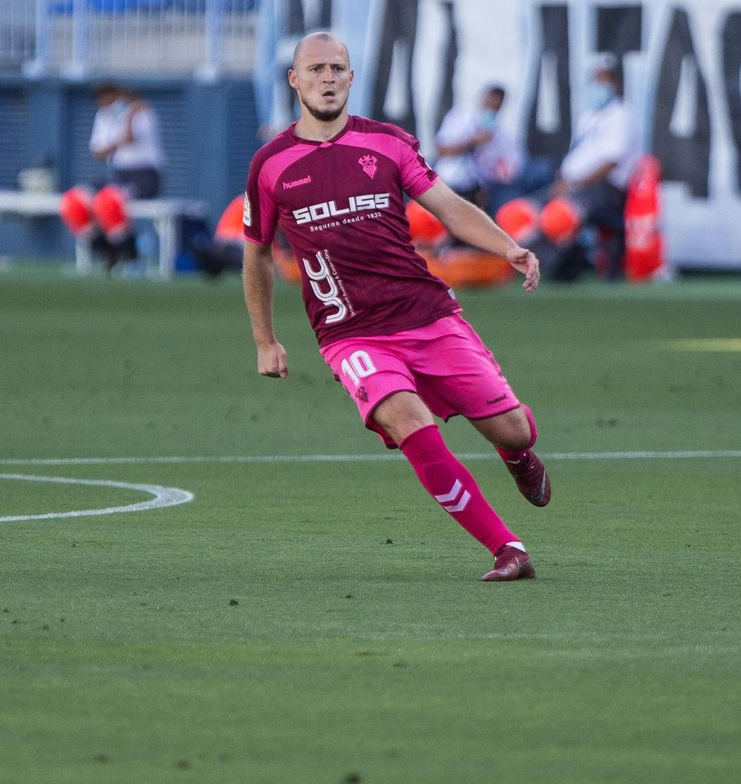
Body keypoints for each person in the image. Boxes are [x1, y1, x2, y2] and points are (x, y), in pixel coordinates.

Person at [241, 32, 552, 582]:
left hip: (425, 313)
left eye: (338, 67)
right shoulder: (271, 165)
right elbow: (258, 253)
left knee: (512, 430)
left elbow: (450, 207)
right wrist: (266, 340)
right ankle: (507, 548)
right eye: (315, 69)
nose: (328, 78)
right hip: (349, 333)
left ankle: (518, 456)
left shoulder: (387, 143)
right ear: (295, 80)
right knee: (410, 422)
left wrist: (508, 247)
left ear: (352, 78)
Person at [544, 54, 641, 279]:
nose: (598, 86)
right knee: (526, 209)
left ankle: (569, 260)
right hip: (574, 184)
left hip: (605, 189)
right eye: (595, 80)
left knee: (562, 212)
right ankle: (553, 262)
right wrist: (564, 181)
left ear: (615, 84)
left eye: (604, 81)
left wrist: (574, 185)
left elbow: (611, 163)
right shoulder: (588, 116)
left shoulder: (621, 116)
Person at [87, 83, 165, 271]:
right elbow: (97, 151)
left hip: (145, 175)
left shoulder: (142, 113)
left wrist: (129, 115)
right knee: (86, 197)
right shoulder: (105, 116)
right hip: (121, 174)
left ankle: (126, 250)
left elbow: (129, 139)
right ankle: (111, 247)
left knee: (110, 200)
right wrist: (115, 144)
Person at [432, 84, 520, 211]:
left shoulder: (504, 135)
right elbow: (442, 150)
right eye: (491, 100)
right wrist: (472, 141)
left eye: (498, 103)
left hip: (481, 190)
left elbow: (510, 169)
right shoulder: (459, 119)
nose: (493, 106)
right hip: (449, 182)